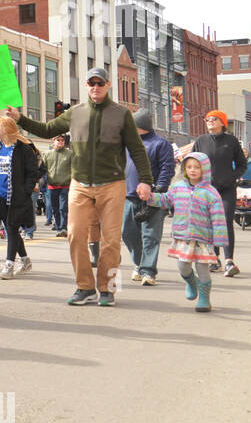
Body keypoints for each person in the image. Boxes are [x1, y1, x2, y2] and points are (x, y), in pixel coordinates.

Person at [9, 68, 152, 306]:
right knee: (75, 235)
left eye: (100, 83)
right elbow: (46, 130)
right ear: (86, 85)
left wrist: (145, 180)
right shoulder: (75, 113)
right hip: (80, 184)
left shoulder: (121, 114)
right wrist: (19, 118)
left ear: (107, 85)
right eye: (91, 83)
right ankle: (84, 287)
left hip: (112, 183)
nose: (95, 87)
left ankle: (108, 289)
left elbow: (137, 149)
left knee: (111, 240)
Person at [144, 152, 227, 312]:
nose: (193, 170)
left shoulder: (211, 192)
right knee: (183, 267)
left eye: (197, 167)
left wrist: (220, 238)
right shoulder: (177, 187)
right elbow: (165, 200)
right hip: (183, 236)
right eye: (189, 167)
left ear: (205, 169)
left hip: (202, 238)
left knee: (202, 268)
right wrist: (149, 197)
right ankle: (191, 282)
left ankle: (204, 298)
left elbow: (218, 217)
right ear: (184, 169)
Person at [0, 114, 43, 279]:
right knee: (10, 229)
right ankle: (26, 260)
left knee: (12, 229)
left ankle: (9, 265)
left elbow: (33, 173)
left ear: (5, 129)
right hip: (0, 197)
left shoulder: (23, 149)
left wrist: (25, 191)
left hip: (16, 198)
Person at [122, 109, 175, 286]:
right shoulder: (127, 143)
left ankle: (148, 271)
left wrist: (159, 190)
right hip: (129, 196)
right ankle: (139, 263)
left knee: (150, 235)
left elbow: (167, 168)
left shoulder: (161, 143)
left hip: (154, 197)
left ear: (140, 126)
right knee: (128, 233)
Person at [191, 110, 248, 276]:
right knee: (209, 223)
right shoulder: (201, 141)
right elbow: (193, 164)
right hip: (206, 189)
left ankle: (229, 261)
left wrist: (232, 178)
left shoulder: (231, 141)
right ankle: (214, 258)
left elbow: (242, 164)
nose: (209, 121)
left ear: (222, 122)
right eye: (207, 119)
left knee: (225, 221)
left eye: (213, 119)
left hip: (226, 189)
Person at [42, 134, 74, 234]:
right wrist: (40, 179)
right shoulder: (47, 154)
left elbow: (74, 169)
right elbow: (43, 169)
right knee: (54, 208)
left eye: (62, 140)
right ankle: (59, 226)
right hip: (52, 185)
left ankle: (64, 227)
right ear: (53, 141)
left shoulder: (70, 154)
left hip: (65, 184)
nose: (60, 142)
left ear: (64, 142)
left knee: (63, 207)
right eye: (58, 140)